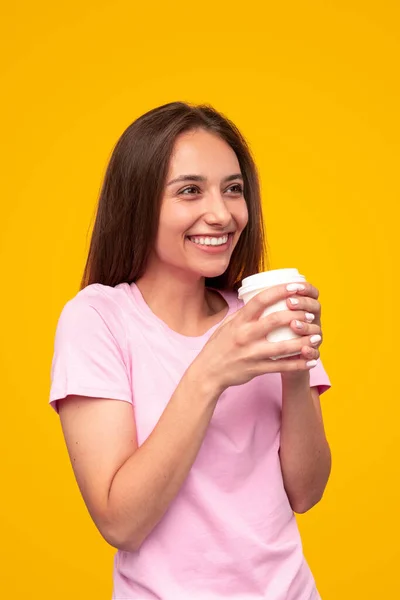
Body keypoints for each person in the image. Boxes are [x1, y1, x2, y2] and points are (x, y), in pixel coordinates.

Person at [49, 102, 332, 600]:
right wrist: (211, 370)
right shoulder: (97, 320)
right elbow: (122, 522)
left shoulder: (258, 314)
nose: (222, 213)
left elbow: (305, 494)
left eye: (234, 189)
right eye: (189, 190)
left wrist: (295, 365)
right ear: (139, 202)